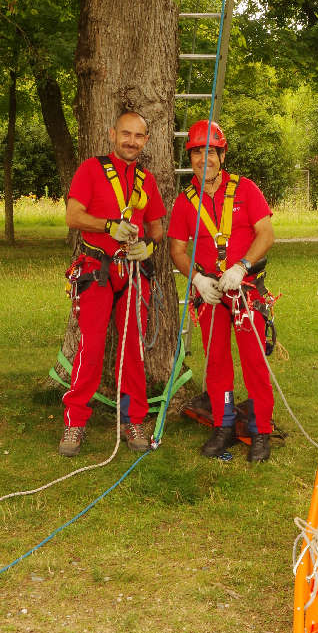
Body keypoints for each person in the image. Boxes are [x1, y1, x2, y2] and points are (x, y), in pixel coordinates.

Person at [59, 110, 166, 457]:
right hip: (98, 269)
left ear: (146, 141)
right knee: (90, 348)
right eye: (126, 134)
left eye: (138, 136)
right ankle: (75, 421)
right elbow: (73, 216)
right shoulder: (91, 169)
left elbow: (158, 229)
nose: (131, 141)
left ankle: (133, 418)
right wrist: (108, 227)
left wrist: (145, 247)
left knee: (132, 350)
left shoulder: (146, 180)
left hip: (132, 273)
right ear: (112, 134)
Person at [168, 119, 275, 462]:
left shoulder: (246, 190)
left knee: (254, 362)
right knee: (216, 363)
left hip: (245, 290)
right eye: (197, 152)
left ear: (222, 155)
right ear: (191, 158)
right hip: (211, 292)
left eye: (211, 151)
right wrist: (198, 279)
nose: (204, 158)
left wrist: (242, 266)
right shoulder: (186, 202)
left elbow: (266, 234)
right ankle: (224, 424)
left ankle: (261, 430)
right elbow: (177, 251)